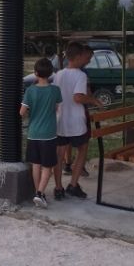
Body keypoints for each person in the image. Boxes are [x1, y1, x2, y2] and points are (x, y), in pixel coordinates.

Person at [55, 42, 100, 199]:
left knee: (59, 155)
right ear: (79, 56)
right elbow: (78, 97)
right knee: (82, 150)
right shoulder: (81, 75)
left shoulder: (58, 74)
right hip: (76, 122)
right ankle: (73, 185)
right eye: (85, 57)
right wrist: (93, 100)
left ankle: (58, 188)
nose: (87, 60)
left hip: (61, 120)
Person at [20, 57, 63, 208]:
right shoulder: (55, 90)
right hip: (49, 134)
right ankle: (39, 193)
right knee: (48, 166)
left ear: (35, 73)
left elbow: (22, 112)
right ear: (51, 73)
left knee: (36, 165)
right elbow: (57, 108)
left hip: (33, 133)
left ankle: (38, 193)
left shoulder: (30, 90)